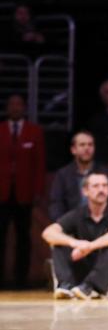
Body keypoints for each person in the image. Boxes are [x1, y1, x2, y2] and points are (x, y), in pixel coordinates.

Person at [41, 172, 108, 299]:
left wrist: (90, 246)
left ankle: (93, 287)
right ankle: (66, 286)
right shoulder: (78, 213)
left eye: (105, 186)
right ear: (85, 191)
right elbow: (48, 233)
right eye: (96, 186)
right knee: (57, 243)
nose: (101, 190)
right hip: (84, 268)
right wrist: (75, 243)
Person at [0, 94, 45, 289]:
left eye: (19, 104)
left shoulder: (34, 131)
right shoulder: (0, 130)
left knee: (23, 238)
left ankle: (21, 280)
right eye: (12, 104)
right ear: (7, 108)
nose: (16, 108)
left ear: (24, 108)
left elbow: (40, 164)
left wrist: (38, 191)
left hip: (24, 194)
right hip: (1, 193)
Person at [49, 131, 108, 221]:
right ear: (73, 150)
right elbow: (56, 203)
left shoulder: (105, 173)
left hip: (100, 222)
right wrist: (61, 224)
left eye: (90, 145)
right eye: (82, 145)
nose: (87, 148)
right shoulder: (63, 174)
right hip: (71, 223)